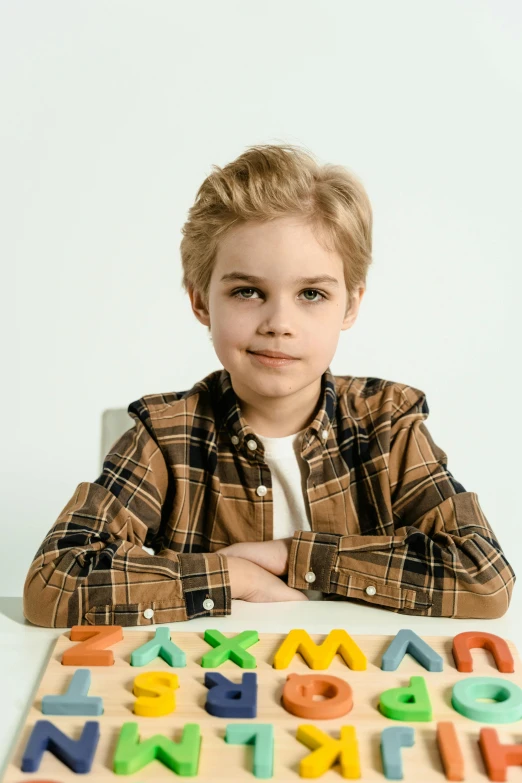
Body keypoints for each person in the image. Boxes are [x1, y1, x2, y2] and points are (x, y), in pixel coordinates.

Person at [23, 143, 515, 627]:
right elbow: (54, 583)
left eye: (311, 293)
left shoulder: (388, 424)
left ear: (350, 305)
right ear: (200, 302)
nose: (279, 322)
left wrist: (294, 557)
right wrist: (232, 577)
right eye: (248, 291)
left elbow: (483, 576)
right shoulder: (165, 435)